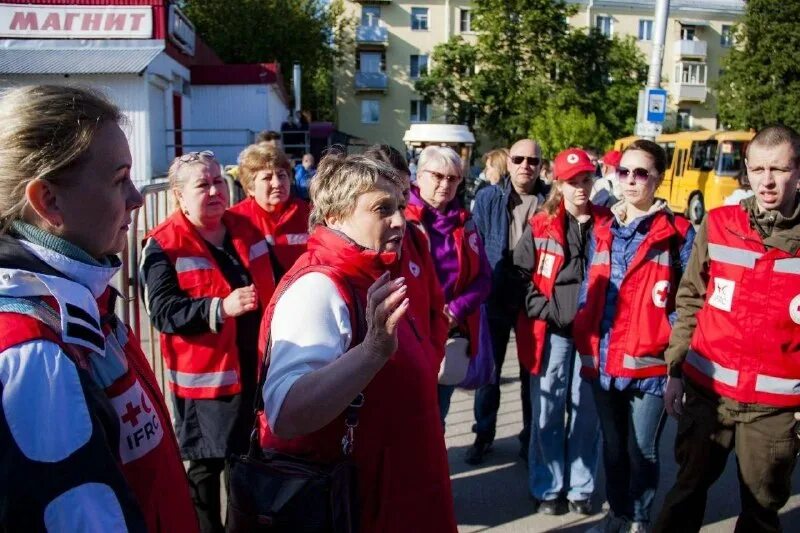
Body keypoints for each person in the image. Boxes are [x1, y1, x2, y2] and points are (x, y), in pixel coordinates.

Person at [0, 85, 197, 532]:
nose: (138, 197)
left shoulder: (84, 302)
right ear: (48, 201)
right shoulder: (34, 355)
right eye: (119, 178)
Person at [259, 153, 457, 532]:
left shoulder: (370, 270)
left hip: (396, 499)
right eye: (382, 208)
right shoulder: (320, 287)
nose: (399, 219)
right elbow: (284, 411)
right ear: (335, 217)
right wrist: (372, 353)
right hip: (362, 510)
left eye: (400, 205)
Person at [655, 124, 800, 533]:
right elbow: (690, 300)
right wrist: (675, 371)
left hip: (774, 409)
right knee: (685, 496)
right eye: (757, 169)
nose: (767, 181)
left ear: (798, 171)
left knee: (760, 513)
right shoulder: (719, 224)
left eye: (778, 169)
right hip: (707, 395)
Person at [141, 151, 276, 533]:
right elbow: (164, 312)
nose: (216, 189)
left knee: (245, 463)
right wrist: (221, 307)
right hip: (207, 383)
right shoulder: (163, 245)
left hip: (256, 370)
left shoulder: (245, 228)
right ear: (179, 196)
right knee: (204, 469)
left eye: (219, 181)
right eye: (203, 184)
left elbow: (276, 280)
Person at [573, 139, 695, 533]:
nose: (629, 180)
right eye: (623, 171)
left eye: (640, 172)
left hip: (651, 363)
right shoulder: (603, 225)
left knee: (641, 449)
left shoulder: (679, 232)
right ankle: (618, 513)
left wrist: (677, 362)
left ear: (658, 178)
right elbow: (588, 289)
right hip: (604, 358)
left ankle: (640, 520)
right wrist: (584, 339)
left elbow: (691, 301)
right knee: (612, 447)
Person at [513, 148, 609, 516]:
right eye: (573, 182)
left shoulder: (607, 224)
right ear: (559, 184)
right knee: (548, 410)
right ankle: (548, 486)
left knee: (586, 413)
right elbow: (519, 275)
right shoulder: (540, 224)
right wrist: (546, 310)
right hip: (551, 333)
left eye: (586, 179)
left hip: (594, 335)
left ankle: (581, 487)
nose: (581, 188)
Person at [468, 138, 549, 465]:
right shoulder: (489, 197)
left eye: (532, 160)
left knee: (532, 371)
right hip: (496, 291)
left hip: (534, 294)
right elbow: (477, 245)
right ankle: (483, 434)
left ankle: (529, 438)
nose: (525, 166)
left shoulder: (550, 201)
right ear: (509, 162)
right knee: (489, 370)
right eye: (519, 159)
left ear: (541, 165)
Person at [405, 146, 492, 424]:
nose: (445, 184)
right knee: (405, 419)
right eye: (437, 176)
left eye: (453, 178)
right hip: (408, 334)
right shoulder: (401, 218)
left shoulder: (465, 224)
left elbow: (484, 278)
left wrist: (455, 310)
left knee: (436, 417)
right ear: (419, 176)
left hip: (448, 333)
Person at [362, 144, 449, 382]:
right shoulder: (350, 250)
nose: (399, 212)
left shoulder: (415, 238)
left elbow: (436, 307)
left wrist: (431, 357)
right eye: (387, 199)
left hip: (422, 376)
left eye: (405, 194)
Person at [229, 144, 310, 279]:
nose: (277, 183)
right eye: (267, 178)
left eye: (281, 175)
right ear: (250, 188)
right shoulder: (233, 220)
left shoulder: (309, 214)